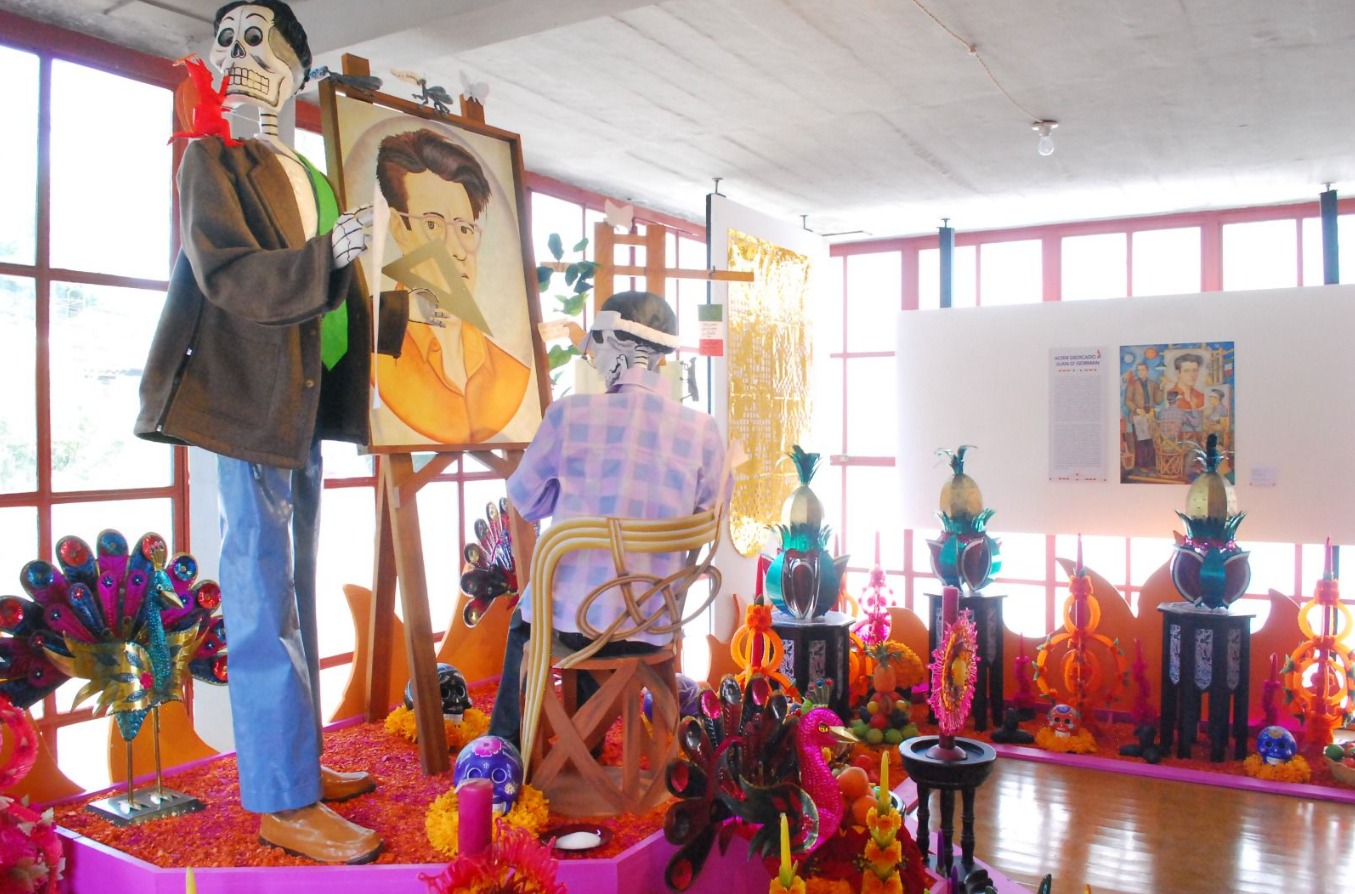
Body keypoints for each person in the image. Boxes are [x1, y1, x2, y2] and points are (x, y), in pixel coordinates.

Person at [135, 1, 402, 864]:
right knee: (257, 594)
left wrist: (398, 328)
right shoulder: (210, 160)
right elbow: (228, 273)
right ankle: (282, 800)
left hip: (303, 402)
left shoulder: (309, 173)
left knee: (296, 585)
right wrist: (330, 255)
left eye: (256, 39)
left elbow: (343, 290)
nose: (236, 55)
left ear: (297, 67)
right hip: (246, 403)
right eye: (224, 41)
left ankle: (301, 764)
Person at [487, 291, 727, 747]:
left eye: (595, 340)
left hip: (574, 624)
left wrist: (571, 497)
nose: (589, 353)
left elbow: (526, 502)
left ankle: (510, 748)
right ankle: (585, 742)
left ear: (620, 341)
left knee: (531, 616)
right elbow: (710, 517)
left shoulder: (569, 415)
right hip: (655, 621)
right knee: (591, 608)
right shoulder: (702, 430)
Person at [373, 128, 531, 444]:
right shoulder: (374, 357)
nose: (457, 250)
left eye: (464, 229)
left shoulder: (512, 375)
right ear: (400, 229)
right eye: (433, 225)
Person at [1123, 362, 1161, 471]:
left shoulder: (1153, 384)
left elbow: (1158, 401)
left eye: (1143, 369)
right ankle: (1141, 466)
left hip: (1150, 414)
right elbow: (1127, 401)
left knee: (1151, 441)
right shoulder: (1132, 384)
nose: (1141, 372)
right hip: (1138, 415)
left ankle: (1151, 465)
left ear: (1147, 371)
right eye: (1139, 370)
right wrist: (1136, 409)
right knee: (1140, 442)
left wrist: (1161, 388)